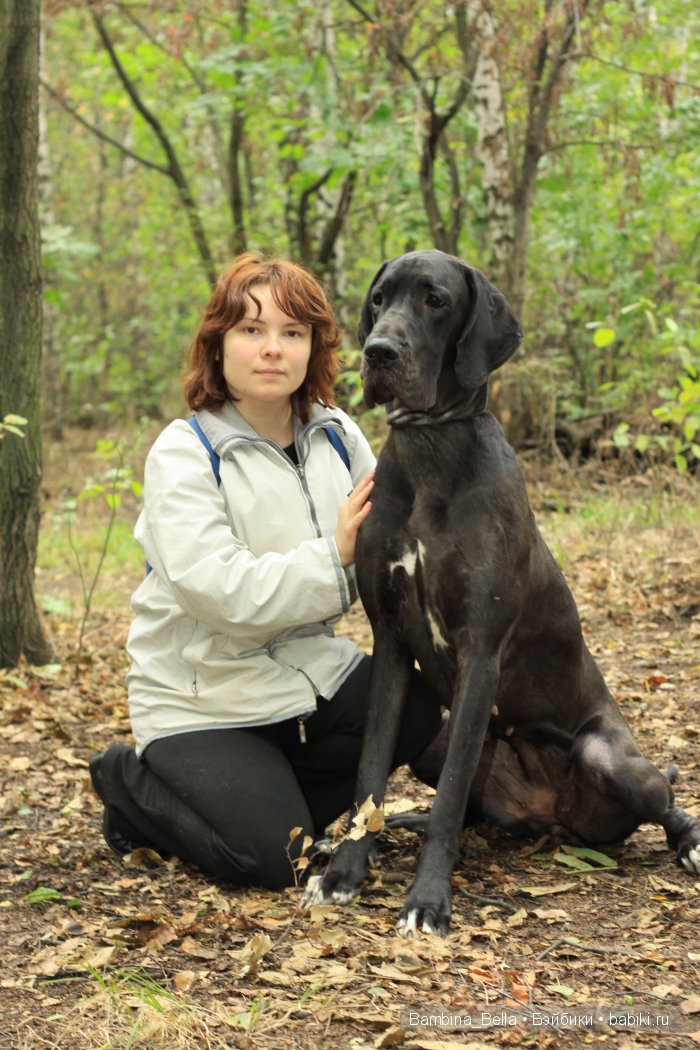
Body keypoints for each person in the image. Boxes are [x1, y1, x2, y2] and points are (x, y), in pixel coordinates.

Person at [89, 252, 442, 889]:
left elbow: (401, 546)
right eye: (251, 330)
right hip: (202, 701)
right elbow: (219, 591)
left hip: (307, 679)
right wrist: (334, 554)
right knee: (276, 860)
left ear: (314, 348)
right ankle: (129, 785)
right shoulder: (185, 451)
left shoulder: (339, 436)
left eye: (292, 332)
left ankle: (267, 794)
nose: (272, 349)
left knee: (415, 711)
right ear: (218, 344)